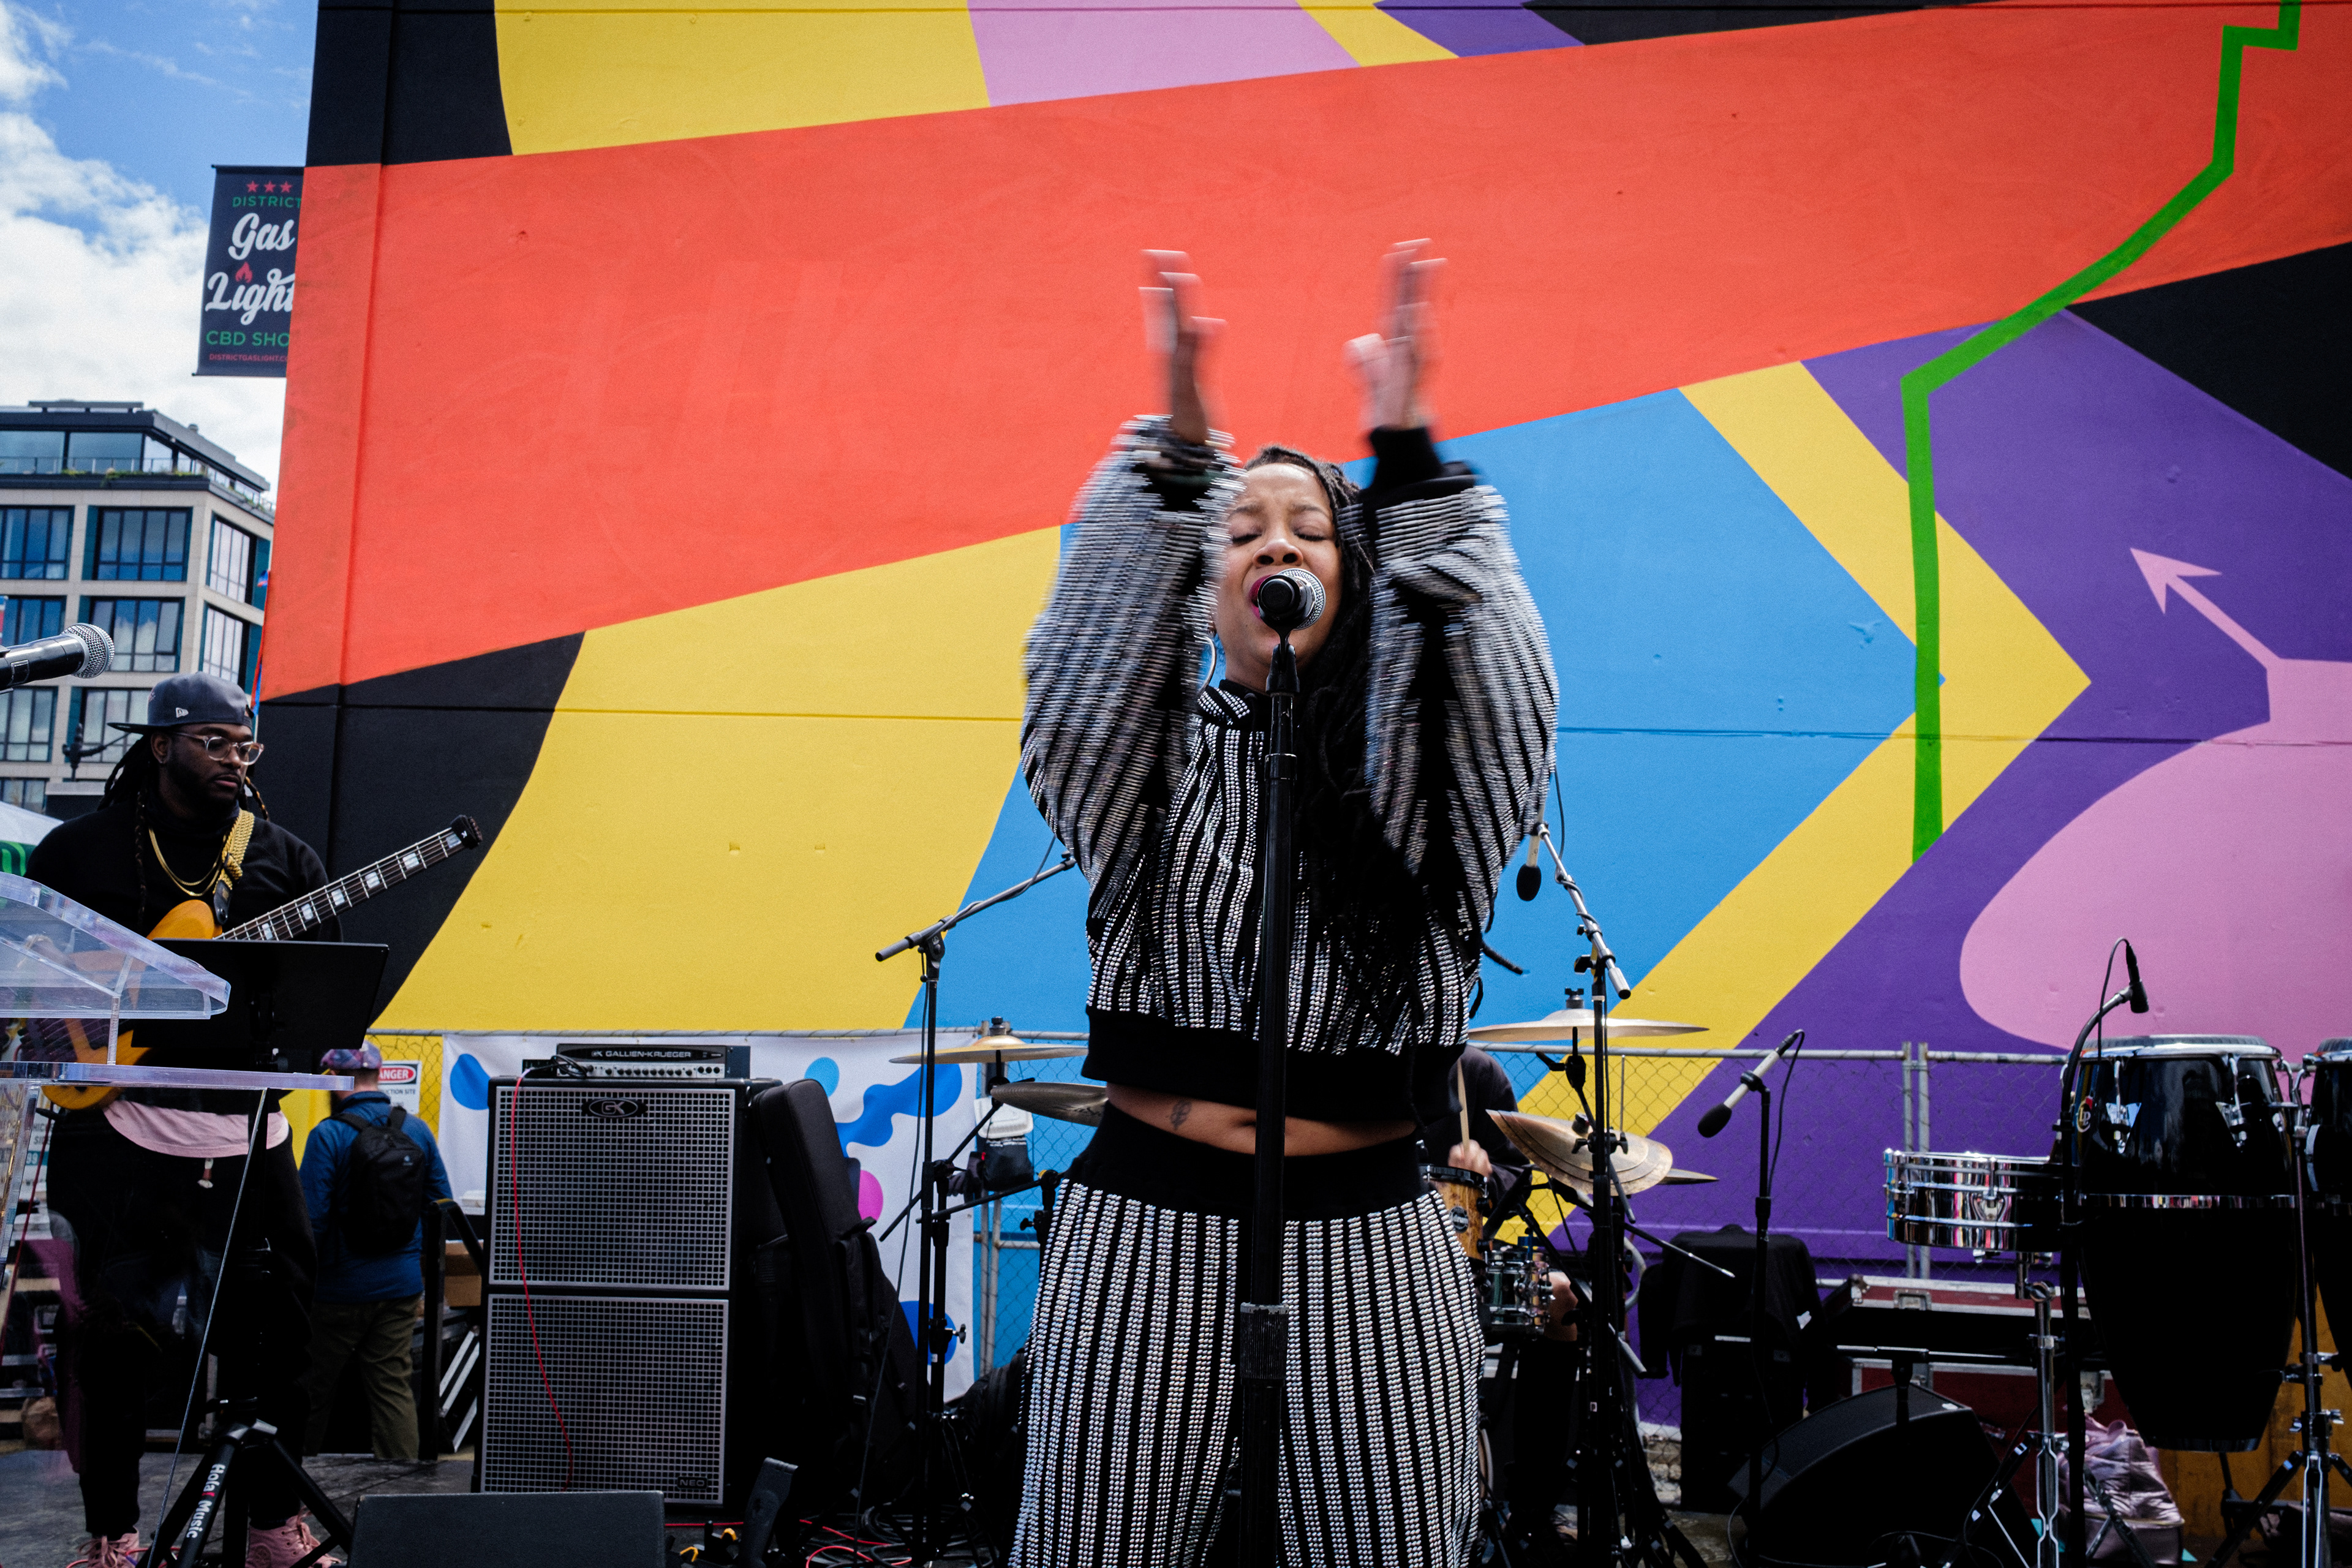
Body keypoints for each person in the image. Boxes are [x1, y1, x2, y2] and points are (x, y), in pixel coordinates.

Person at [1015, 244, 1558, 1567]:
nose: (1275, 547)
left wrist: (1413, 465)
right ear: (1213, 593)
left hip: (1373, 1223)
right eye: (1245, 534)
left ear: (1353, 576)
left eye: (1308, 530)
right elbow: (1075, 688)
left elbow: (1499, 691)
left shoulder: (1423, 783)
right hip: (1146, 1214)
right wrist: (1176, 468)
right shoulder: (1151, 759)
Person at [29, 673, 343, 1568]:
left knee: (279, 1340)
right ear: (161, 745)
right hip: (116, 1129)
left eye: (244, 745)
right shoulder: (77, 853)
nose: (233, 759)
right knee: (111, 1343)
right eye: (213, 741)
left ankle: (271, 1525)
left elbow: (322, 995)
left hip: (249, 1132)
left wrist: (333, 1040)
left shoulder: (285, 859)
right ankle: (111, 1533)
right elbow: (37, 976)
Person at [300, 1043, 453, 1461]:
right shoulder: (417, 1131)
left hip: (337, 1290)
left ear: (332, 1080)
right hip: (401, 1287)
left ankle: (287, 1490)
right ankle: (400, 1491)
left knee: (313, 1388)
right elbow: (442, 1205)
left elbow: (311, 1219)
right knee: (391, 1386)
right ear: (381, 1075)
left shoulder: (328, 1135)